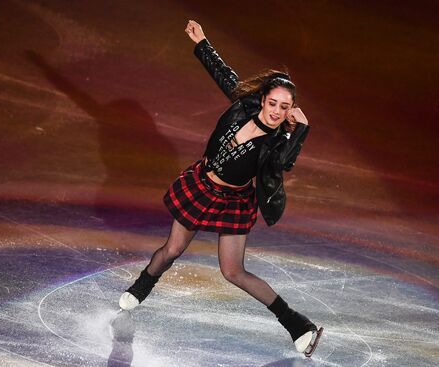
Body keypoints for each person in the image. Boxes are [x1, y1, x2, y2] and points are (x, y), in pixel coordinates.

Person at [118, 20, 323, 357]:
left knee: (233, 272)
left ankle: (298, 325)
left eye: (284, 108)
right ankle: (141, 287)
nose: (276, 112)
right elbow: (224, 75)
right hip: (202, 184)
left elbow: (284, 163)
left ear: (290, 111)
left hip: (235, 200)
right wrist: (202, 43)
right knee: (172, 249)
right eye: (273, 103)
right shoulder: (243, 105)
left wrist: (300, 130)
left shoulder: (278, 140)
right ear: (263, 99)